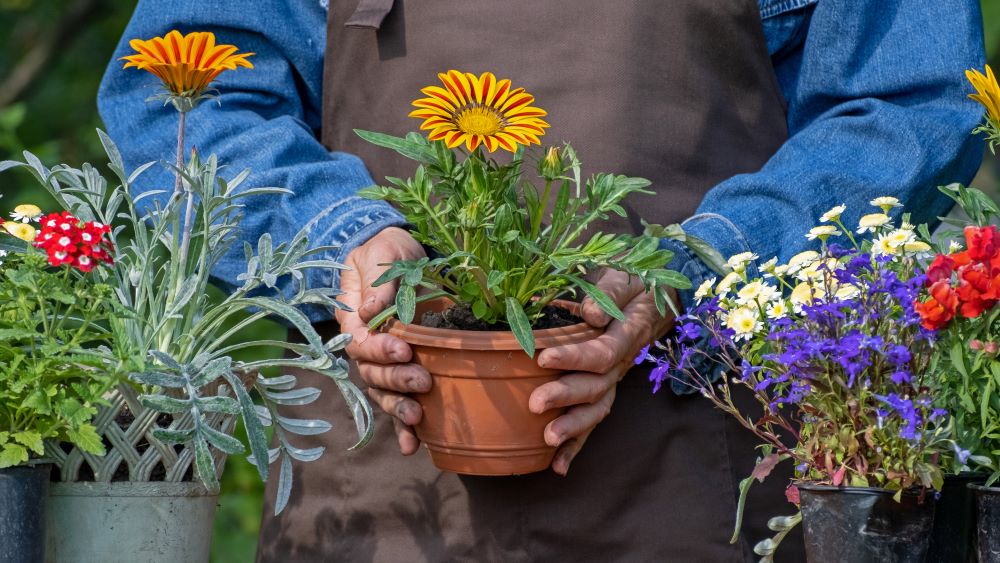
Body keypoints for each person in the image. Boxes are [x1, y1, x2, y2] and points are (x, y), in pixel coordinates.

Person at [98, 0, 985, 560]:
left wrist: (687, 270)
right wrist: (345, 242)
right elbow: (174, 94)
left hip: (698, 478)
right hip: (377, 490)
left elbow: (908, 99)